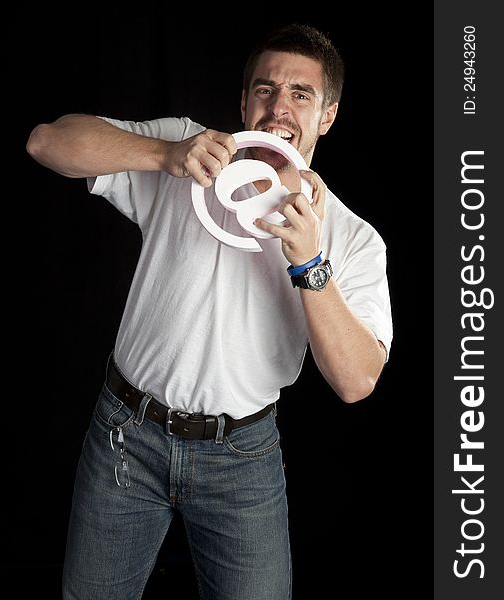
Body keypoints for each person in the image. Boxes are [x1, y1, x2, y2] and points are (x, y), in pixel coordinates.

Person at [27, 23, 392, 600]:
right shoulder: (187, 150)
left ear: (327, 115)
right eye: (265, 89)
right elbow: (47, 142)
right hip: (127, 434)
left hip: (242, 460)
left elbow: (356, 380)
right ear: (244, 100)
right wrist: (165, 154)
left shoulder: (352, 238)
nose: (279, 108)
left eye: (301, 94)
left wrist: (309, 263)